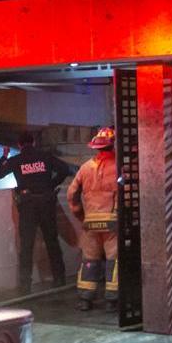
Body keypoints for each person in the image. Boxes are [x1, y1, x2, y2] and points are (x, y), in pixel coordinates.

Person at [0, 131, 72, 293]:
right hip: (46, 202)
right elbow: (65, 169)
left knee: (26, 245)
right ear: (34, 142)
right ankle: (59, 278)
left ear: (20, 145)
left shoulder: (17, 160)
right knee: (52, 242)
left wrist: (4, 157)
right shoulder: (45, 157)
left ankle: (25, 284)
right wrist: (50, 184)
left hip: (27, 205)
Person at [67, 126, 119, 311]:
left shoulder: (85, 168)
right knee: (114, 260)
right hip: (112, 223)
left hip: (90, 223)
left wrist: (81, 215)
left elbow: (71, 194)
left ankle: (85, 299)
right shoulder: (119, 168)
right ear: (112, 146)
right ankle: (112, 301)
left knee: (90, 260)